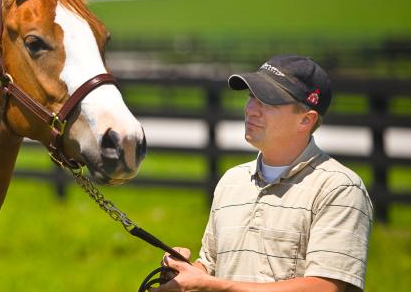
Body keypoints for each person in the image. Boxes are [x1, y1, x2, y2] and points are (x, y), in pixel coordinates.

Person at [155, 55, 373, 292]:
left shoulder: (339, 188)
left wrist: (210, 284)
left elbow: (324, 287)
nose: (251, 109)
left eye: (268, 102)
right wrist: (186, 273)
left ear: (305, 120)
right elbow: (211, 267)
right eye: (251, 97)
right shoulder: (231, 182)